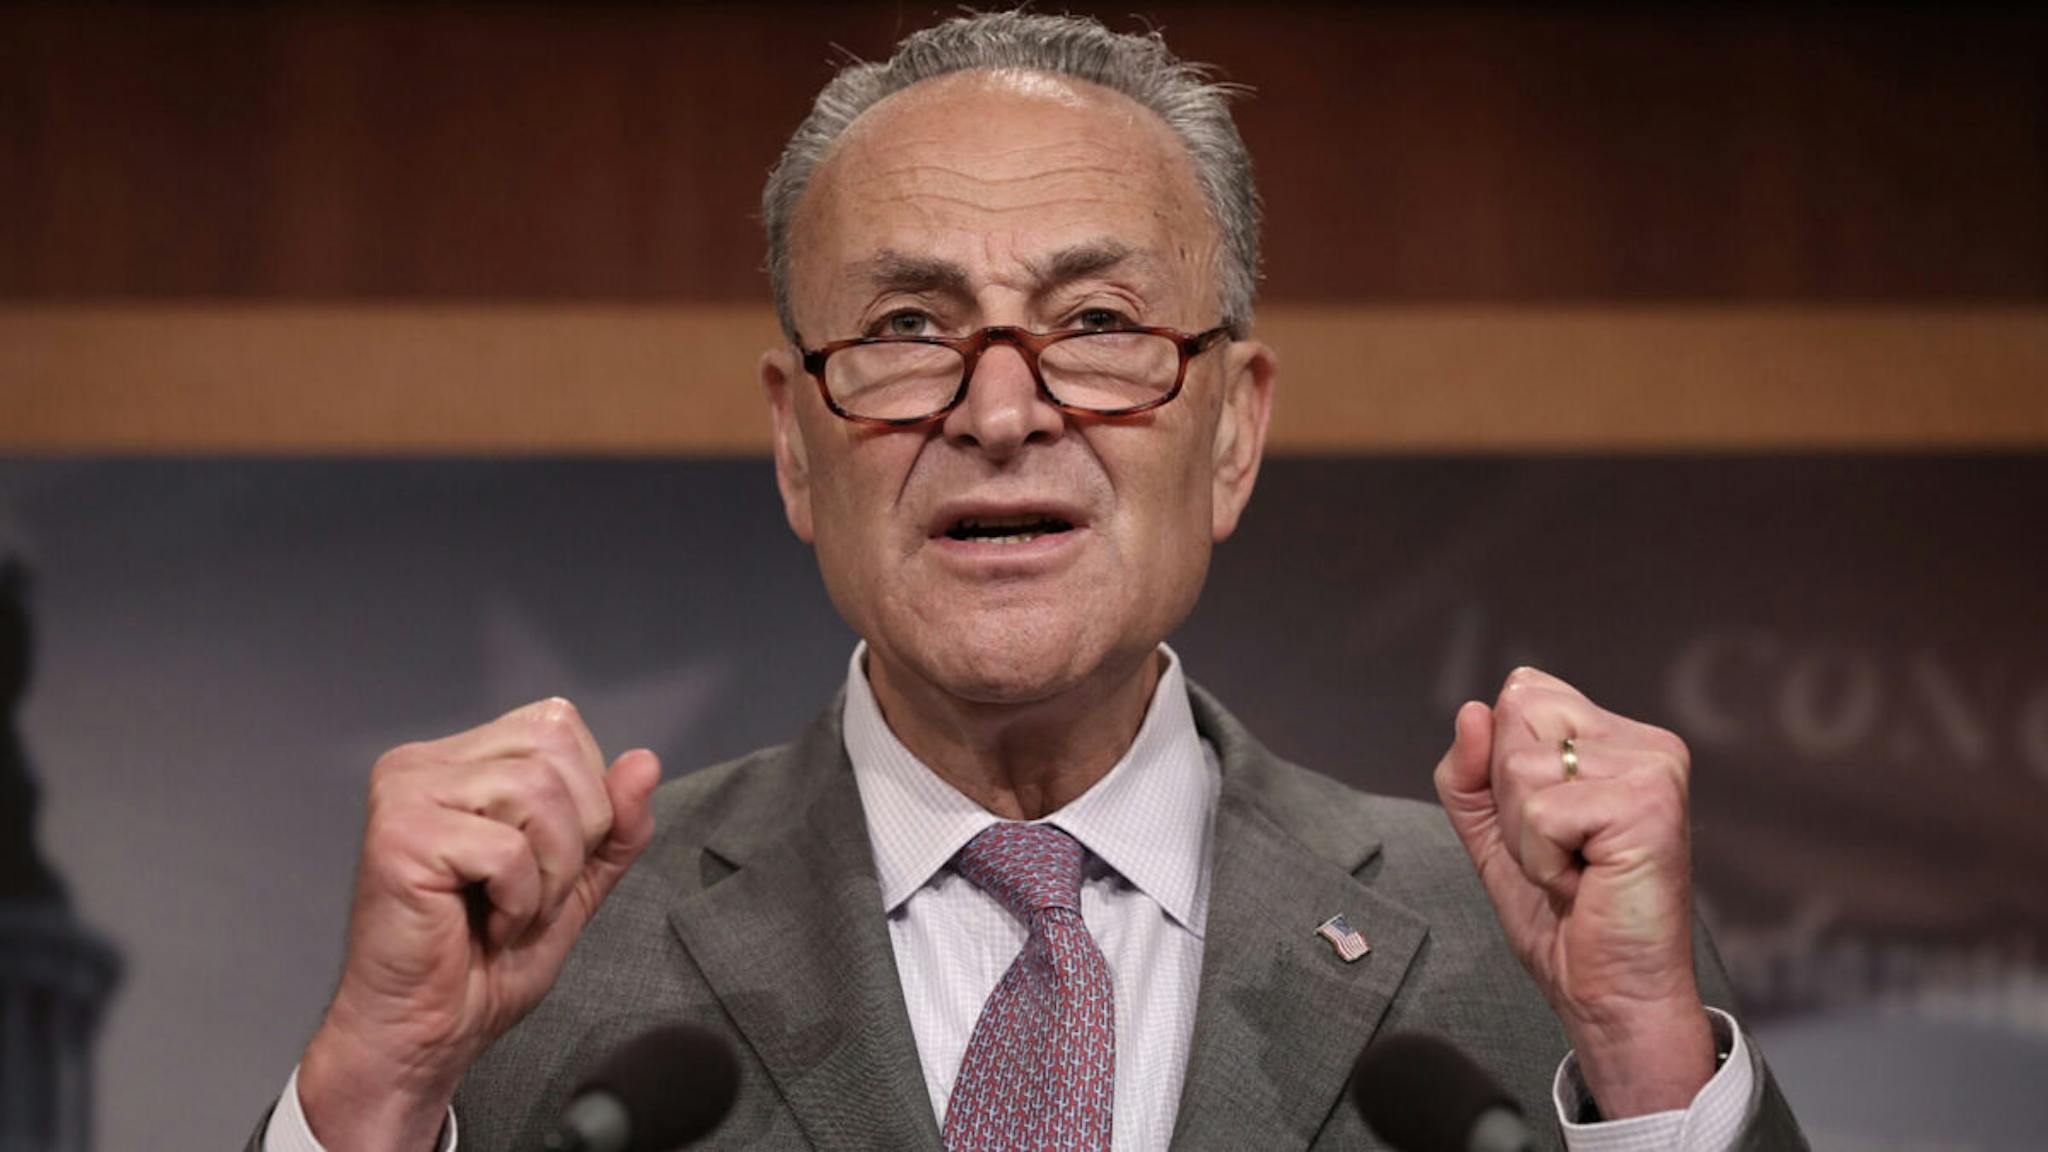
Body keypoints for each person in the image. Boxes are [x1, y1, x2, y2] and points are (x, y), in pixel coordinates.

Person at [254, 12, 1804, 1151]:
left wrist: (1654, 1069)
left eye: (1101, 321)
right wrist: (374, 1095)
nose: (1001, 412)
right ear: (798, 446)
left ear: (1234, 435)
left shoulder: (1520, 947)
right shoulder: (546, 962)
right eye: (911, 328)